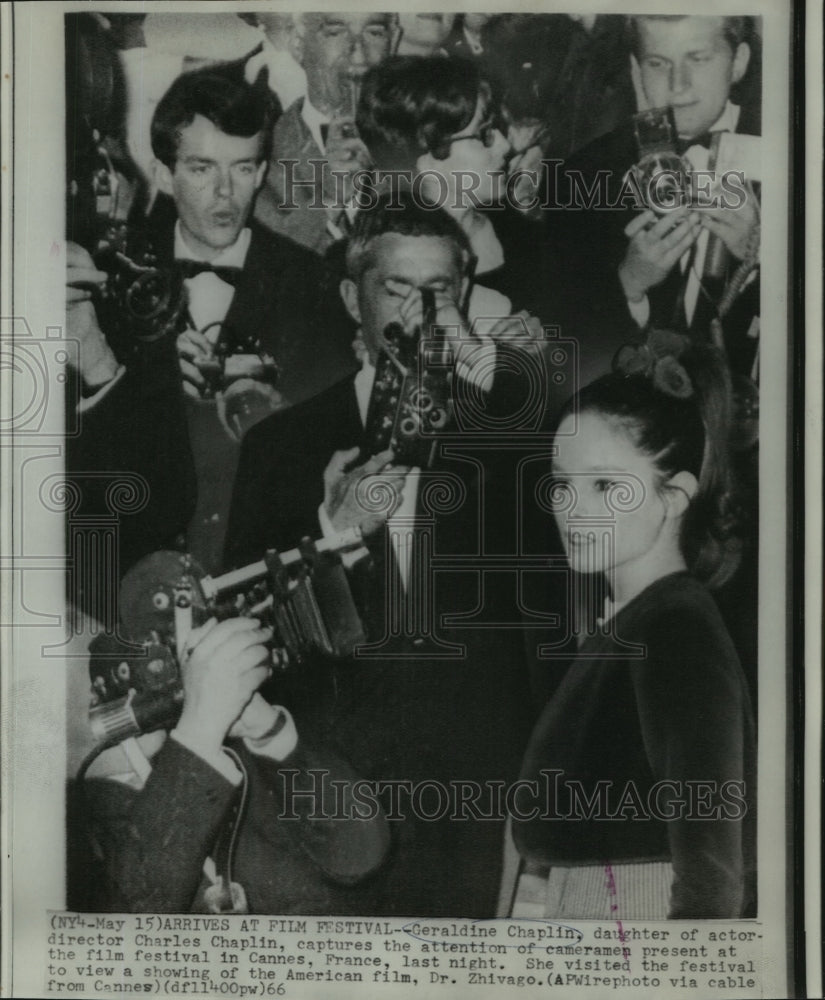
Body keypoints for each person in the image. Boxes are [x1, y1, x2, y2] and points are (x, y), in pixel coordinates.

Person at [224, 193, 549, 916]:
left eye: (439, 289)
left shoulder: (515, 432)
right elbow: (244, 627)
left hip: (479, 779)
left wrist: (499, 378)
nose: (420, 311)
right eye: (396, 287)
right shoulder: (280, 448)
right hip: (334, 778)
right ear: (351, 296)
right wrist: (328, 531)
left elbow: (562, 596)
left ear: (464, 293)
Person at [66, 67, 355, 579]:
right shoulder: (98, 284)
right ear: (163, 175)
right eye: (202, 169)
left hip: (262, 580)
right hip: (122, 581)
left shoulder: (315, 287)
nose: (225, 193)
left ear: (264, 172)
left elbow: (330, 461)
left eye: (243, 168)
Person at [512, 330, 756, 919]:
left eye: (604, 486)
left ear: (674, 496)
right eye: (562, 483)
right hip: (590, 907)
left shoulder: (676, 631)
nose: (572, 509)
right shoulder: (637, 620)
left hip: (634, 915)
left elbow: (713, 876)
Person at [71, 615, 390, 913]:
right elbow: (134, 916)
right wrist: (198, 732)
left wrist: (267, 731)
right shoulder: (58, 844)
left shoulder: (227, 762)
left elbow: (362, 853)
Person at [546, 15, 761, 389]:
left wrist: (764, 259)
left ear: (739, 62)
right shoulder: (583, 174)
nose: (678, 86)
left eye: (698, 58)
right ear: (634, 70)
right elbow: (566, 353)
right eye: (658, 64)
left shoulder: (799, 160)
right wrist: (628, 286)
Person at [356, 54, 551, 319]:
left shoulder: (527, 234)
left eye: (498, 129)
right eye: (484, 135)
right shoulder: (382, 262)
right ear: (427, 161)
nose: (504, 146)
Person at [253, 12, 394, 254]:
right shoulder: (259, 156)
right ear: (298, 45)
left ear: (394, 42)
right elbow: (262, 270)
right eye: (335, 32)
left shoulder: (422, 150)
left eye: (374, 33)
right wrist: (329, 201)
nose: (358, 52)